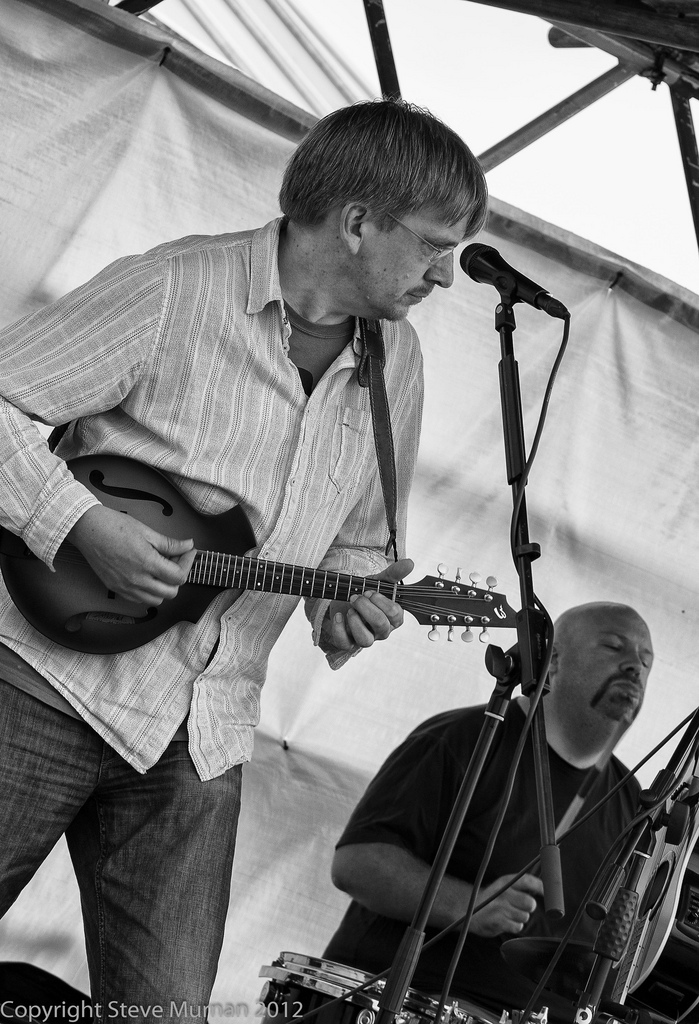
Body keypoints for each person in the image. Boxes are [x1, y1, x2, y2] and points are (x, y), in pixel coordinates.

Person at [0, 100, 488, 1018]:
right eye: (433, 244)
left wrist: (346, 609)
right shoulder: (174, 288)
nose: (445, 275)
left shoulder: (398, 364)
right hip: (40, 687)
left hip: (203, 735)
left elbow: (359, 546)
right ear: (356, 222)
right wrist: (79, 524)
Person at [324, 602, 654, 1021]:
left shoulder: (633, 806)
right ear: (552, 661)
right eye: (613, 647)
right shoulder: (464, 739)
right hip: (404, 1003)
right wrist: (469, 905)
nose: (634, 667)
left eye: (646, 661)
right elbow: (355, 864)